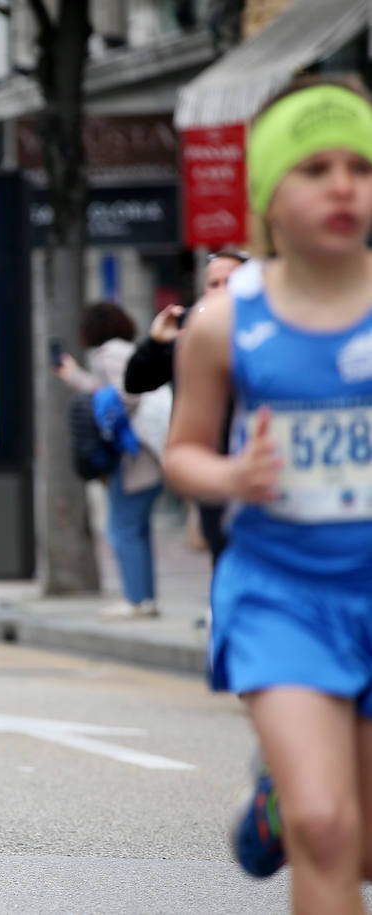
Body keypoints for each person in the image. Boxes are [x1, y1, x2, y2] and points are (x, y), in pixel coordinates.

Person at [165, 76, 372, 909]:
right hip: (280, 590)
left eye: (359, 165)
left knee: (358, 844)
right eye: (314, 167)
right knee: (326, 824)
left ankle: (276, 791)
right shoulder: (223, 323)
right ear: (269, 202)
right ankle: (298, 792)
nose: (341, 184)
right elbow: (184, 452)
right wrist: (233, 477)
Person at [124, 251, 248, 564]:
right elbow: (136, 381)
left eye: (230, 282)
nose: (221, 290)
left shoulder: (272, 331)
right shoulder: (196, 334)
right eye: (214, 283)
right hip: (215, 473)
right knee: (224, 554)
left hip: (263, 470)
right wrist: (157, 342)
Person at [54, 302, 164, 618]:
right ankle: (144, 599)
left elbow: (127, 394)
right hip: (146, 452)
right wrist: (75, 376)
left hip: (135, 454)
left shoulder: (110, 353)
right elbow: (112, 389)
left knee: (122, 527)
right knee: (135, 528)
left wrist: (110, 421)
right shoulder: (126, 349)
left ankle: (137, 600)